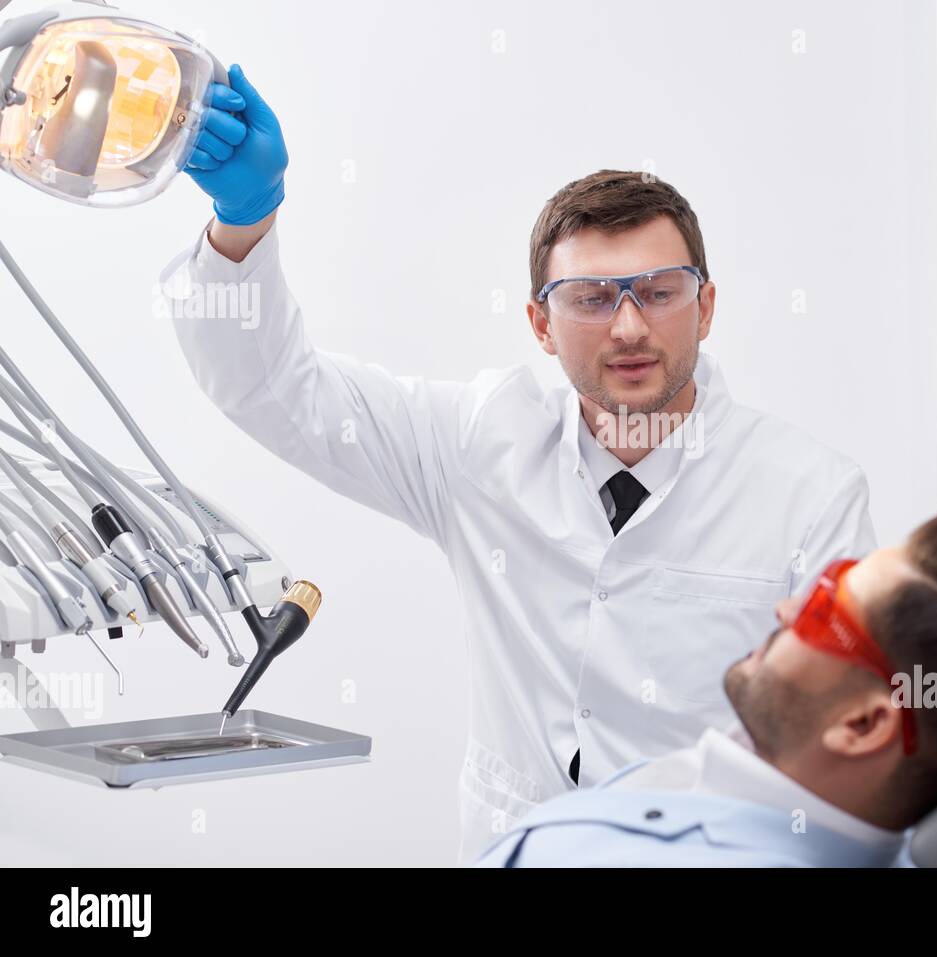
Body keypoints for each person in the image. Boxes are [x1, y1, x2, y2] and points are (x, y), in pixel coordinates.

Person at [159, 66, 877, 860]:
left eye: (659, 291)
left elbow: (847, 745)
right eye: (592, 298)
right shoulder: (478, 444)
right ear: (540, 322)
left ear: (705, 306)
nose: (630, 326)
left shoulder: (810, 494)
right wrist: (243, 223)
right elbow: (274, 391)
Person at [476, 507, 937, 867]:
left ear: (863, 725)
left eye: (825, 610)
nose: (785, 608)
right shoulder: (737, 785)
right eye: (833, 575)